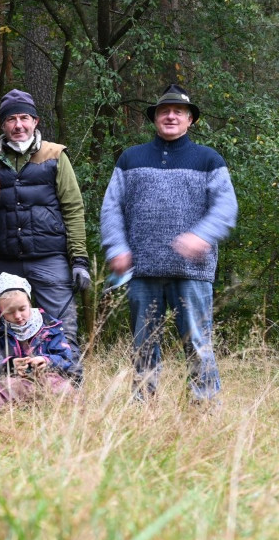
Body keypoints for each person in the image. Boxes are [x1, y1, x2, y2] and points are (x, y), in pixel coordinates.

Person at [100, 84, 238, 403]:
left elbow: (226, 207)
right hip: (142, 272)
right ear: (155, 118)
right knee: (143, 347)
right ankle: (142, 408)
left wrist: (201, 236)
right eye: (165, 111)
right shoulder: (130, 158)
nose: (171, 115)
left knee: (197, 344)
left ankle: (204, 408)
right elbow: (111, 208)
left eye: (178, 111)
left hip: (192, 273)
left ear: (190, 120)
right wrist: (117, 247)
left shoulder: (209, 159)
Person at [0, 89, 91, 342]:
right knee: (3, 333)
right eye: (11, 119)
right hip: (4, 261)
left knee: (61, 329)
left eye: (24, 118)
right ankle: (10, 382)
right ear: (2, 124)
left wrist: (79, 260)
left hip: (49, 258)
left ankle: (68, 379)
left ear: (35, 121)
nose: (18, 125)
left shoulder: (55, 155)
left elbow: (73, 209)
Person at [0, 273, 79, 409]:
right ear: (0, 311)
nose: (17, 316)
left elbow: (66, 358)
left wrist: (46, 361)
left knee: (64, 389)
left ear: (29, 302)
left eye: (22, 309)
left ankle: (72, 413)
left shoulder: (49, 326)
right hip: (12, 380)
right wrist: (9, 364)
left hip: (47, 377)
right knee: (2, 391)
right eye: (9, 312)